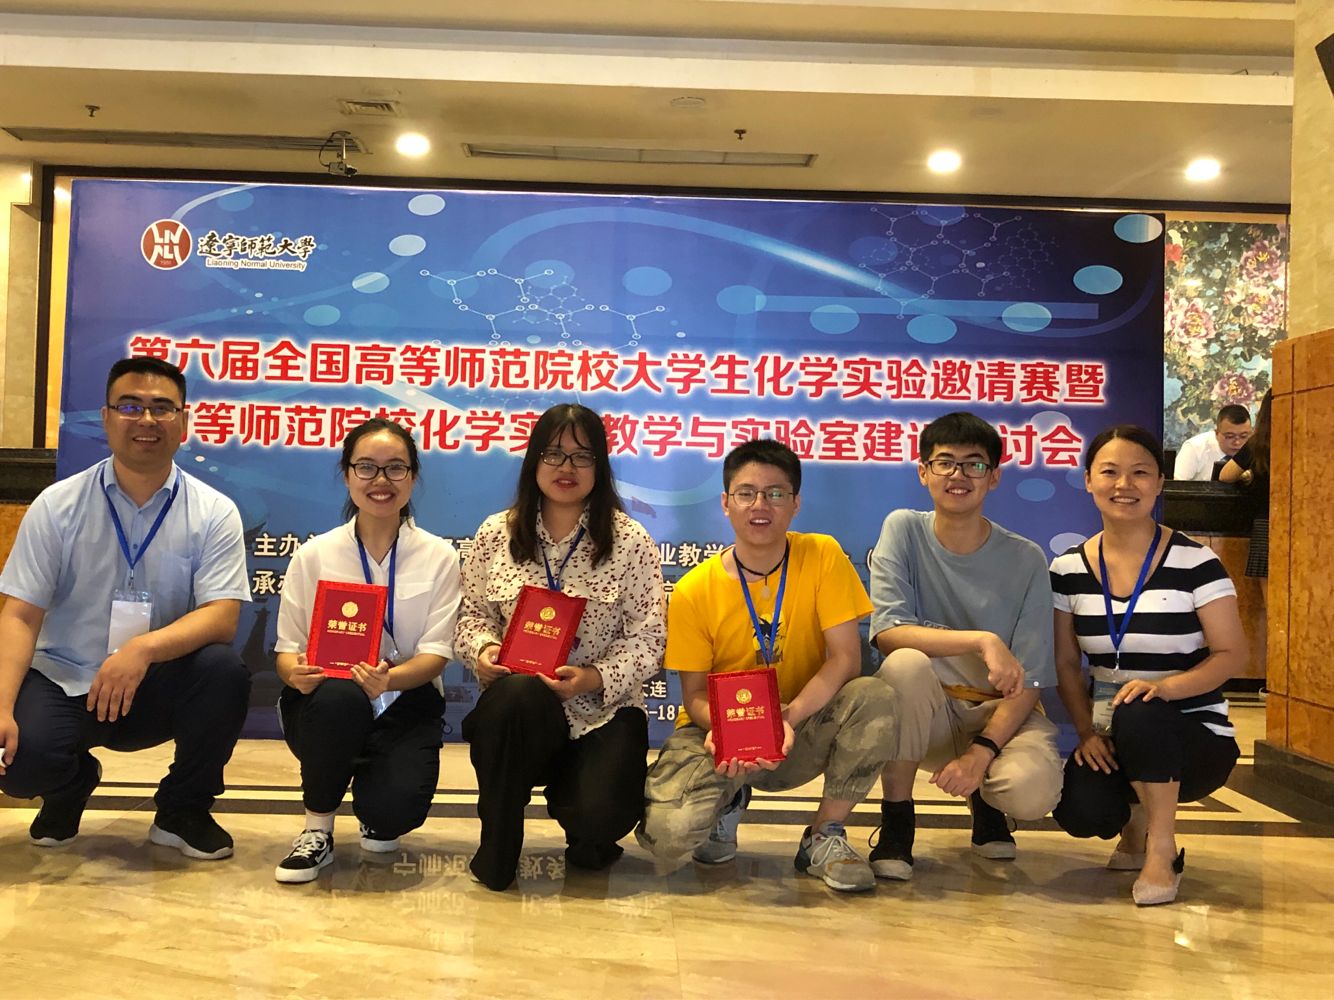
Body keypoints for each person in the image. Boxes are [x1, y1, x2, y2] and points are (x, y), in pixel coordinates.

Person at [0, 356, 251, 859]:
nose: (146, 420)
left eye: (162, 408)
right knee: (21, 765)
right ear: (107, 417)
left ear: (184, 420)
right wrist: (2, 707)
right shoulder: (57, 505)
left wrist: (143, 649)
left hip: (154, 681)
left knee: (223, 671)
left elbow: (222, 616)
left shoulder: (213, 511)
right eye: (130, 406)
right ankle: (69, 784)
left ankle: (183, 810)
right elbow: (20, 614)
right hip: (66, 678)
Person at [637, 439, 898, 893]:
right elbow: (694, 696)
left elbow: (845, 659)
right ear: (726, 503)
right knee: (667, 836)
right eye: (746, 493)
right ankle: (727, 802)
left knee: (876, 697)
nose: (760, 505)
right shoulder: (694, 590)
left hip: (802, 723)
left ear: (795, 504)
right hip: (717, 736)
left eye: (776, 493)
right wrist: (727, 730)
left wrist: (786, 718)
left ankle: (824, 835)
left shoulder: (822, 555)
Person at [454, 403, 666, 890]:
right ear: (534, 461)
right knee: (516, 696)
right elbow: (471, 616)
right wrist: (483, 652)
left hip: (601, 710)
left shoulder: (630, 541)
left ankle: (586, 822)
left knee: (597, 825)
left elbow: (650, 639)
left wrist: (592, 678)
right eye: (553, 454)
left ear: (600, 466)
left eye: (582, 456)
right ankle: (498, 847)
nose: (566, 467)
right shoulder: (495, 534)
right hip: (522, 709)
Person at [1051, 425, 1245, 906]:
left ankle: (1162, 847)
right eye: (1109, 472)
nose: (1124, 485)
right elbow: (1066, 662)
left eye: (1140, 473)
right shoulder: (1067, 569)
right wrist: (1087, 732)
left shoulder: (1197, 562)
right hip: (1112, 731)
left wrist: (1166, 690)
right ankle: (1134, 826)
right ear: (1088, 480)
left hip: (1193, 735)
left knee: (1141, 710)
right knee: (1082, 812)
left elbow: (1232, 654)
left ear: (1159, 483)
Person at [868, 412, 1061, 881]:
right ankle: (897, 821)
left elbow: (1032, 675)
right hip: (927, 713)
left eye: (974, 465)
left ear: (994, 477)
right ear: (923, 472)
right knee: (904, 664)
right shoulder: (903, 529)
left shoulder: (1026, 558)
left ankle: (988, 802)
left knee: (1030, 792)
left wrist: (981, 751)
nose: (958, 475)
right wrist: (982, 640)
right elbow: (889, 631)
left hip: (998, 713)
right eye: (945, 462)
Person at [271, 418, 461, 883]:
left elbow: (435, 655)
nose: (381, 481)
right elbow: (287, 650)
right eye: (367, 467)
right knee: (340, 697)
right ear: (347, 474)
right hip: (327, 703)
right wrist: (295, 674)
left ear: (412, 477)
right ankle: (317, 828)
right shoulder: (314, 555)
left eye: (395, 468)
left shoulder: (440, 557)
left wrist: (389, 680)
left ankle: (376, 800)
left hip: (405, 698)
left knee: (392, 815)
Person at [1220, 390, 1272, 601]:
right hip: (1303, 524)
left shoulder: (1259, 443)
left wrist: (1249, 476)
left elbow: (1226, 475)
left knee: (1272, 604)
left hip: (1266, 524)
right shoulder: (1307, 440)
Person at [1172, 404, 1251, 481]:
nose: (1237, 442)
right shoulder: (1195, 447)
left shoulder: (1254, 449)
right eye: (1230, 436)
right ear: (1216, 433)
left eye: (1243, 436)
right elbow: (1176, 484)